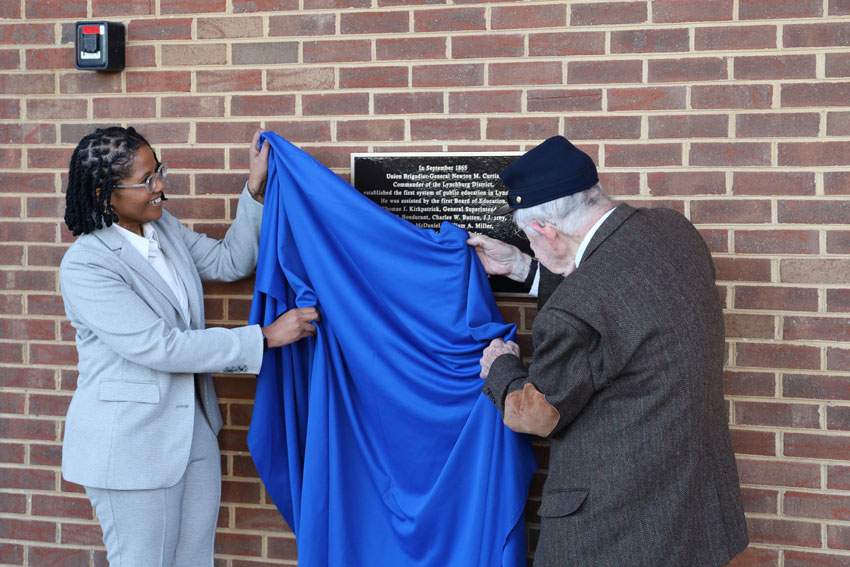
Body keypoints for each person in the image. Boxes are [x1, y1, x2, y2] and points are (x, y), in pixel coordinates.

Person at [468, 136, 748, 566]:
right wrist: (526, 268)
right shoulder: (673, 232)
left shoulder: (573, 313)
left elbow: (538, 415)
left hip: (616, 532)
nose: (534, 245)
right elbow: (619, 298)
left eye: (530, 237)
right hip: (696, 511)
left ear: (547, 228)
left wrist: (502, 368)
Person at [59, 126, 319, 567]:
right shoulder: (87, 265)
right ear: (105, 194)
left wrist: (254, 189)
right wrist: (263, 337)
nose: (160, 186)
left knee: (194, 560)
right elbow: (160, 347)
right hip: (132, 445)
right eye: (145, 181)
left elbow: (228, 260)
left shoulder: (162, 231)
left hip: (192, 431)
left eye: (158, 171)